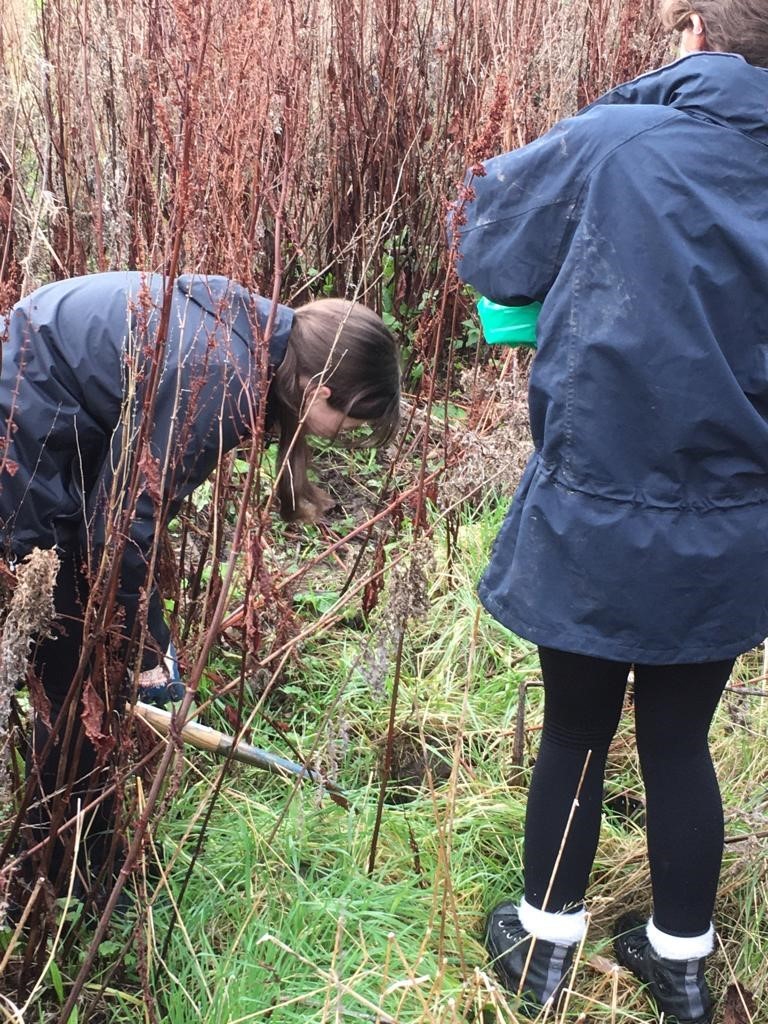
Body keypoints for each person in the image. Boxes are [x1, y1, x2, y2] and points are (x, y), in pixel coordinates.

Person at [454, 2, 768, 1021]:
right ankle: (681, 965)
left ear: (692, 29)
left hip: (597, 501)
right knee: (681, 738)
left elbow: (494, 252)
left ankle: (544, 949)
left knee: (577, 731)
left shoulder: (617, 137)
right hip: (735, 516)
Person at [0, 271, 400, 900]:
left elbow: (132, 513)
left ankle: (88, 857)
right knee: (68, 663)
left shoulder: (261, 338)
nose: (339, 437)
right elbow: (122, 527)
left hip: (52, 417)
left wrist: (150, 645)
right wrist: (141, 650)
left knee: (93, 651)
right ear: (320, 390)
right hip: (23, 427)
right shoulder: (227, 381)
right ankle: (58, 876)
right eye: (345, 424)